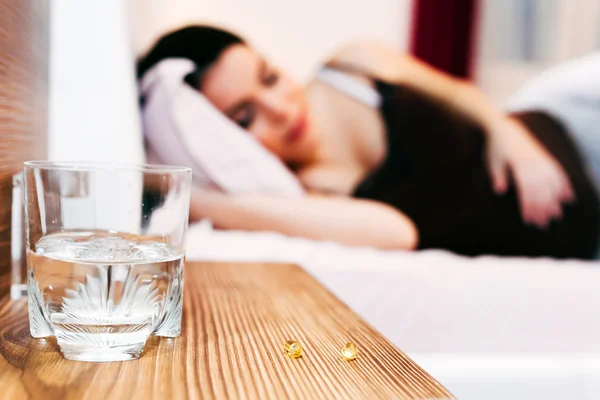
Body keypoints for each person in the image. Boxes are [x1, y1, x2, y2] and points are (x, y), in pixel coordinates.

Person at [137, 26, 599, 259]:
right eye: (246, 117)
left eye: (271, 77)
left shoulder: (351, 68)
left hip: (569, 130)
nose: (281, 108)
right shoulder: (304, 196)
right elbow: (396, 233)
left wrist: (510, 136)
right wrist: (191, 198)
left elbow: (459, 91)